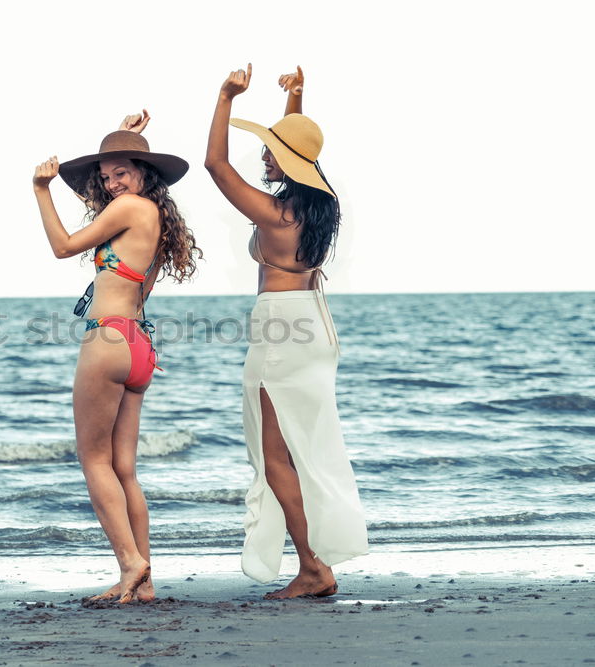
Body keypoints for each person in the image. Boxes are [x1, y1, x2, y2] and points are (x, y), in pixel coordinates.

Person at [204, 65, 367, 599]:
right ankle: (313, 561)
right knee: (300, 450)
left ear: (290, 161)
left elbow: (215, 164)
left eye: (273, 150)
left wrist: (225, 97)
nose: (266, 156)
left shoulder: (276, 214)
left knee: (274, 457)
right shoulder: (319, 206)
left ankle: (313, 568)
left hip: (280, 330)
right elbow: (296, 149)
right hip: (316, 325)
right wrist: (295, 98)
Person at [33, 111, 201, 603]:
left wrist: (41, 190)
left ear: (145, 173)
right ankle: (143, 582)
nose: (111, 184)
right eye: (106, 177)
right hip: (138, 344)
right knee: (123, 467)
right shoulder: (149, 217)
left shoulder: (129, 209)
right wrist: (126, 142)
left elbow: (64, 246)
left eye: (122, 172)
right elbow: (99, 213)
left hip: (107, 340)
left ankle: (130, 563)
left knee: (93, 460)